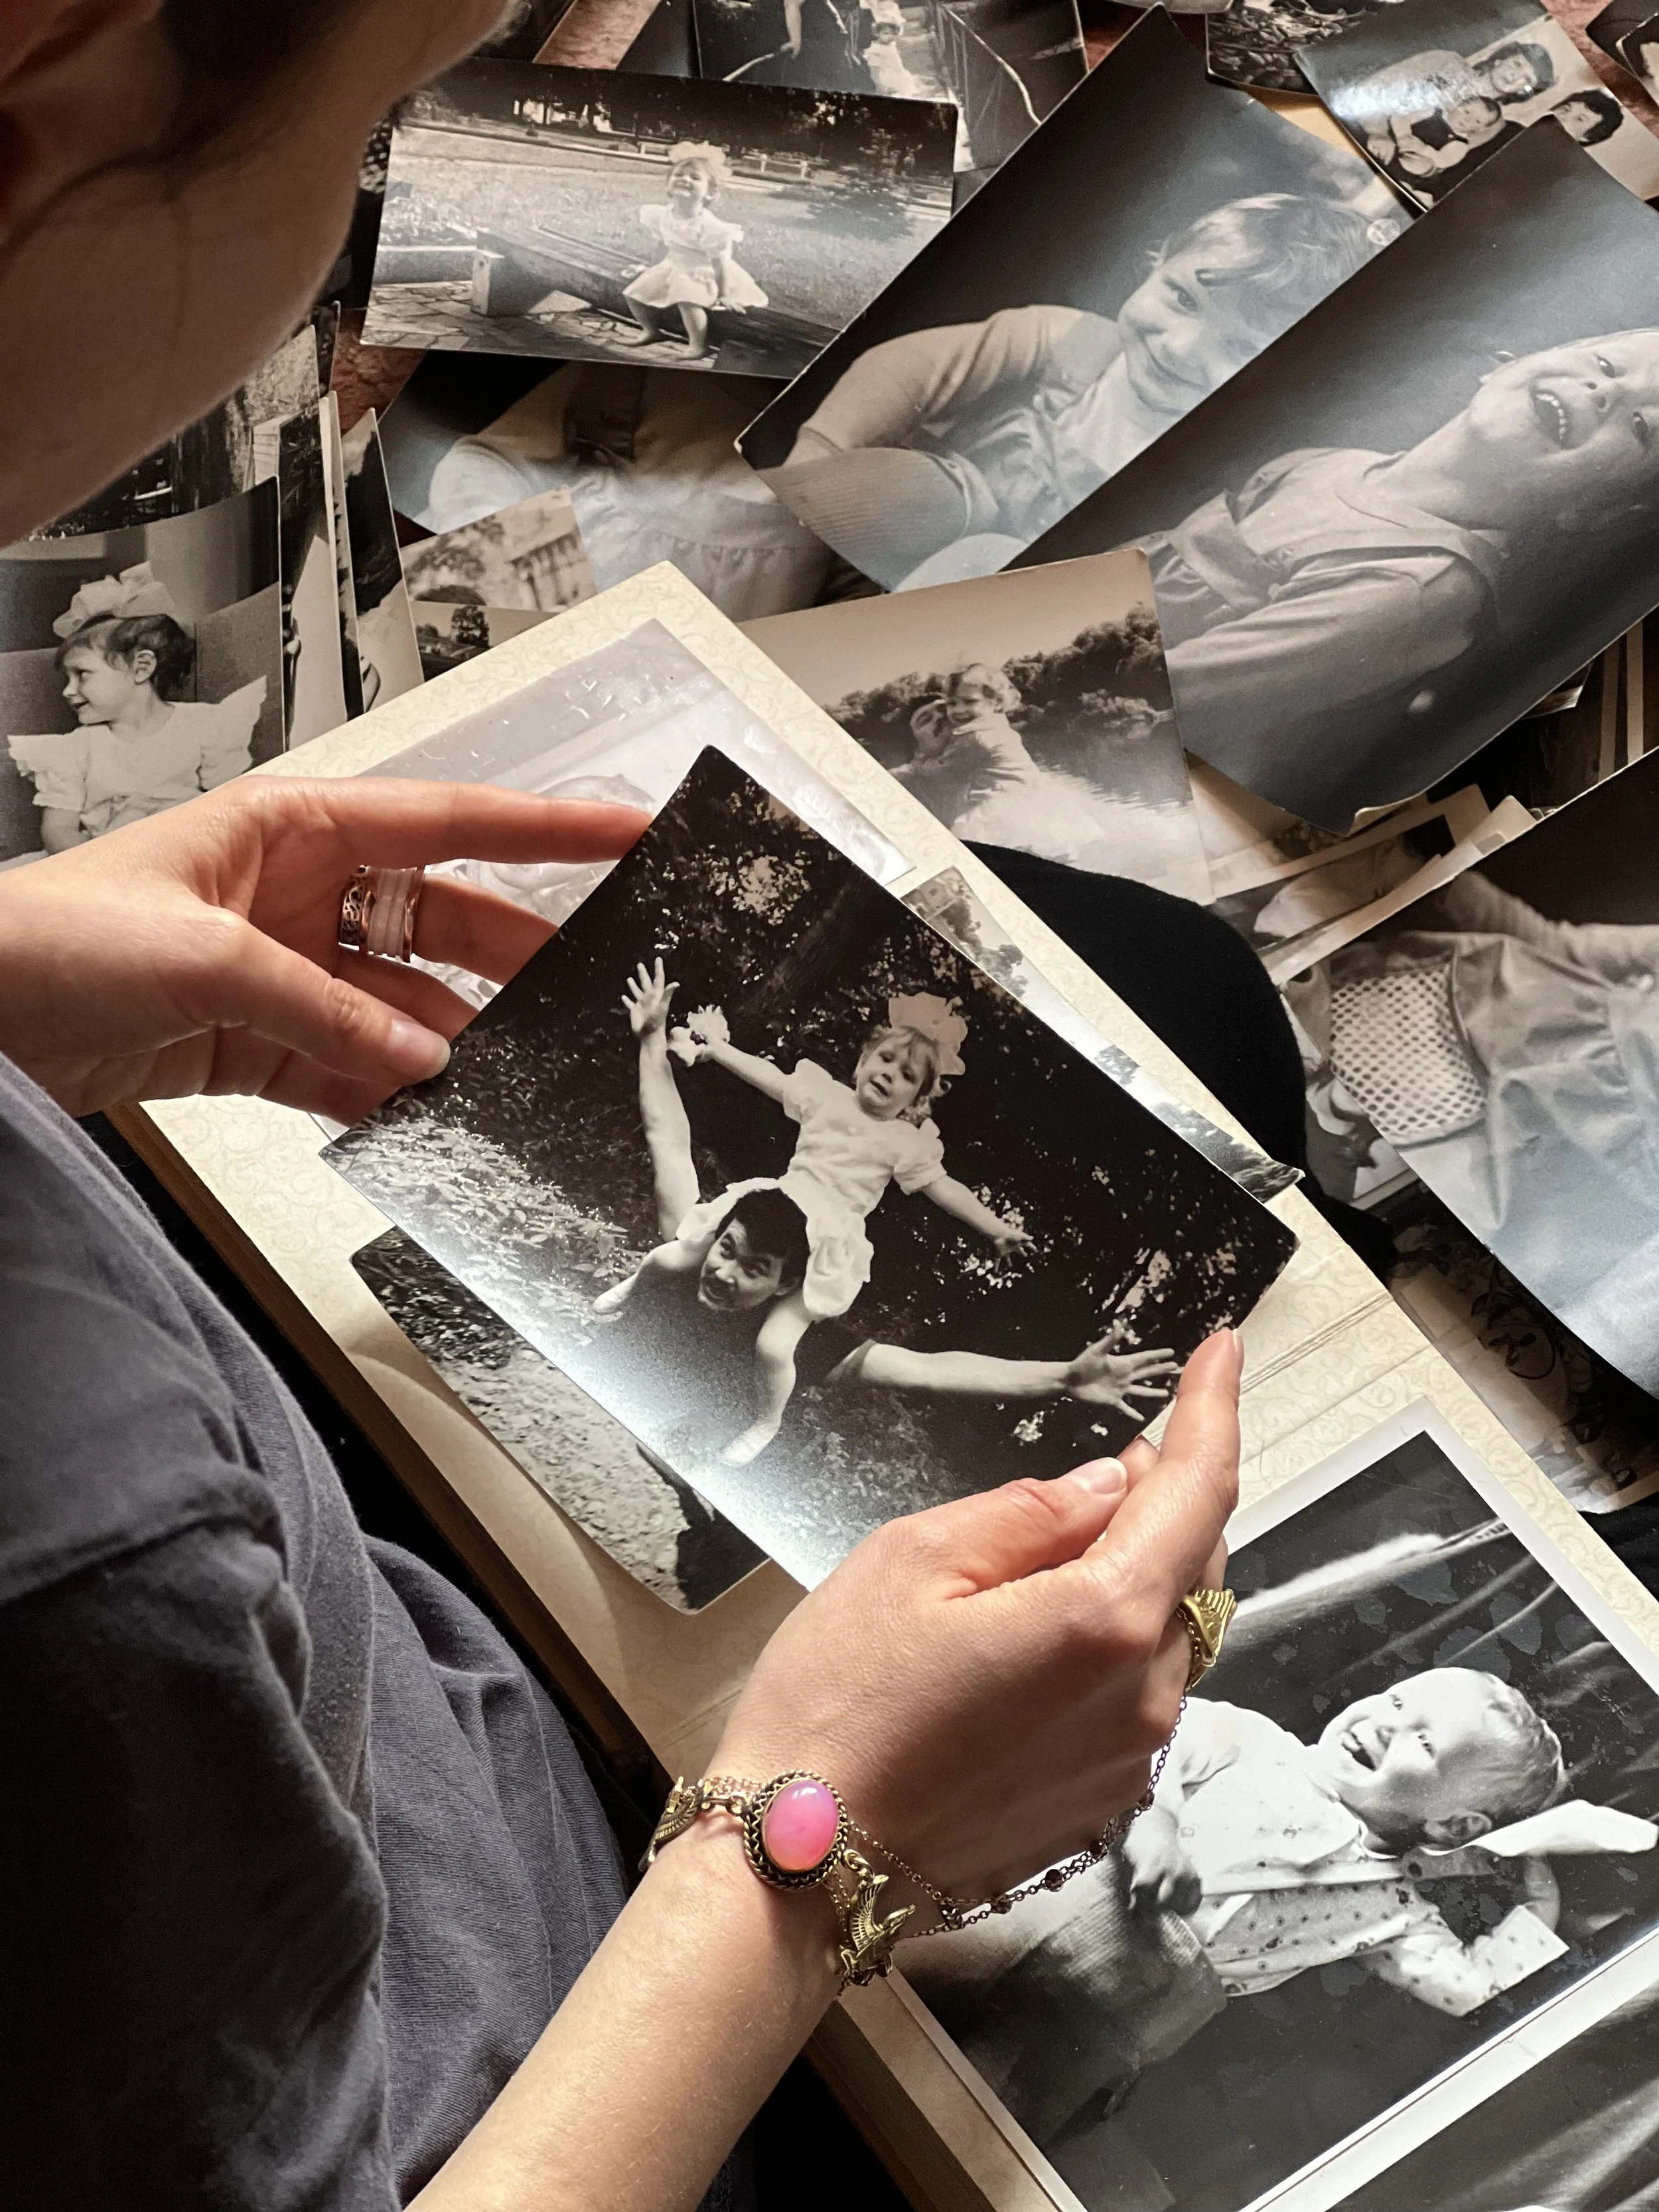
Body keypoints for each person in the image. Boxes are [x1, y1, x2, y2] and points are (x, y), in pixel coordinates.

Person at [1, 4, 1243, 2207]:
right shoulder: (79, 1552)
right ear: (48, 111)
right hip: (556, 2030)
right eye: (382, 114)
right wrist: (814, 1852)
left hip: (326, 1692)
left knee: (1161, 981)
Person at [910, 1665, 1570, 2164]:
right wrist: (1156, 1819)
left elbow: (1463, 1986)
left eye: (1424, 1743)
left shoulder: (1392, 1908)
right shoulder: (1257, 1742)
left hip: (1113, 2016)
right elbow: (1150, 1736)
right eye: (1397, 1701)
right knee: (904, 1982)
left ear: (1455, 1821)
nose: (1385, 1723)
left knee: (963, 2123)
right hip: (1051, 1907)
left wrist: (1538, 1915)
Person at [1138, 328, 1659, 824]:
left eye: (1640, 429)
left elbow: (1173, 692)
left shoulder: (1419, 589)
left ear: (1588, 512)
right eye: (1608, 365)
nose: (1604, 392)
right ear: (1512, 363)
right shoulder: (1343, 464)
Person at [759, 193, 1390, 589]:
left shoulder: (1226, 463)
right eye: (1182, 297)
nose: (1179, 346)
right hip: (907, 523)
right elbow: (904, 369)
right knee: (907, 490)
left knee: (987, 560)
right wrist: (816, 462)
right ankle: (742, 559)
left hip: (1002, 601)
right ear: (1157, 260)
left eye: (1239, 346)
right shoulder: (1080, 342)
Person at [596, 968, 1029, 1462]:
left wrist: (994, 1228)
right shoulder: (824, 1095)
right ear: (865, 1059)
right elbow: (767, 1076)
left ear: (917, 1099)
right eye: (885, 1058)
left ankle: (765, 1420)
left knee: (776, 1346)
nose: (890, 1073)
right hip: (779, 1202)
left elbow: (945, 1189)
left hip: (823, 1247)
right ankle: (631, 1287)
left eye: (907, 1076)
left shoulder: (907, 1143)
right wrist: (716, 1049)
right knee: (675, 1252)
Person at [9, 569, 265, 853]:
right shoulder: (77, 748)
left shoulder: (203, 725)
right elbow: (58, 829)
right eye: (67, 678)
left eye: (82, 674)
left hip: (184, 853)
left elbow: (232, 805)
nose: (67, 691)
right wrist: (91, 862)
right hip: (107, 862)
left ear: (141, 668)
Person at [619, 143, 768, 364]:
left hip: (702, 270)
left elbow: (720, 263)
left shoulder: (708, 226)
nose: (685, 179)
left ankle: (698, 345)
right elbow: (665, 244)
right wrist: (651, 268)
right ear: (669, 187)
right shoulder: (664, 214)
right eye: (679, 175)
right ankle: (650, 331)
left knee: (687, 300)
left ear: (710, 193)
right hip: (673, 265)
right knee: (633, 294)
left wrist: (724, 293)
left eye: (695, 178)